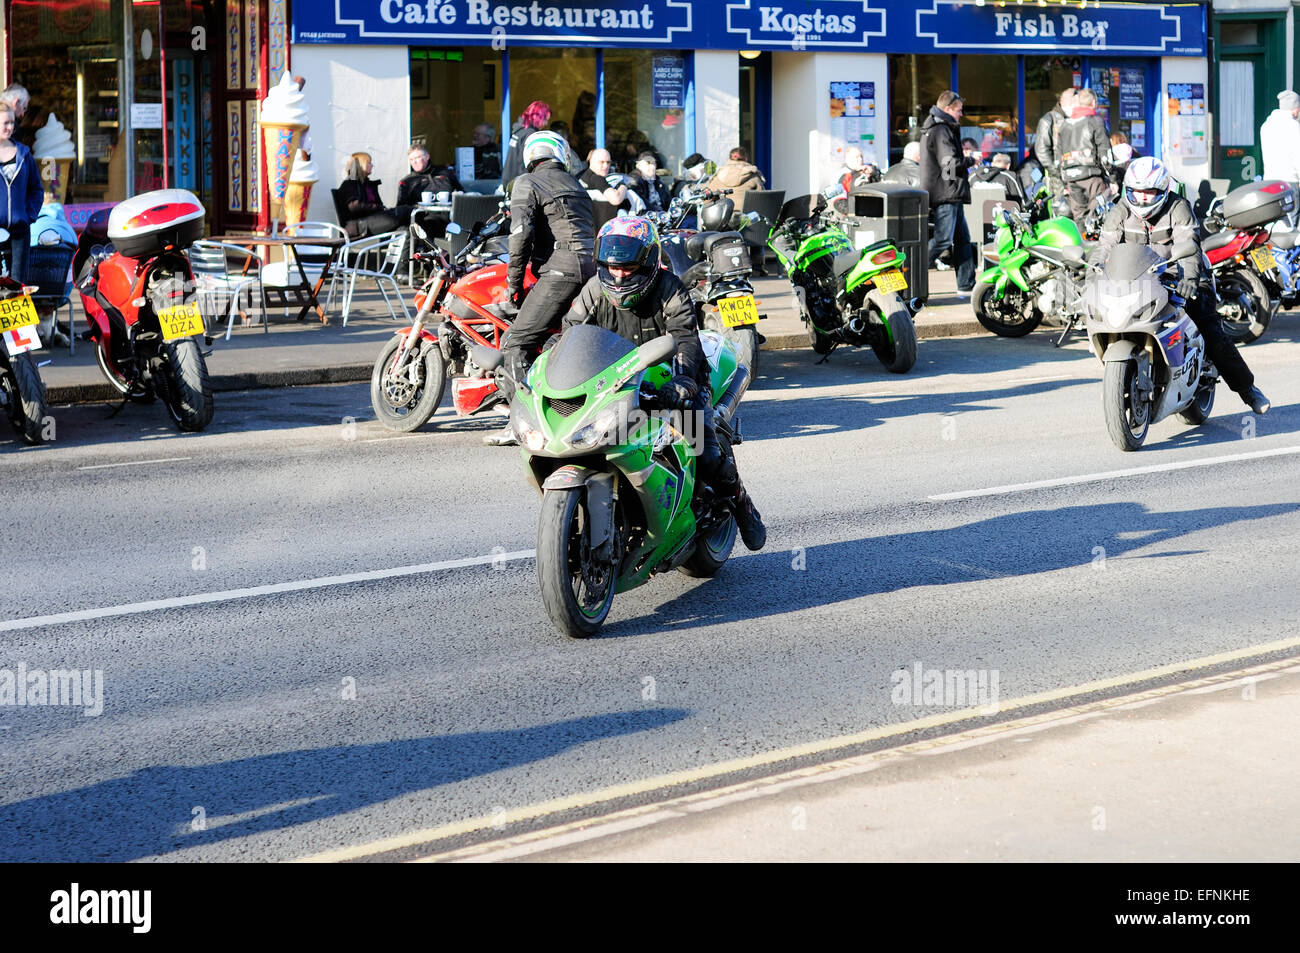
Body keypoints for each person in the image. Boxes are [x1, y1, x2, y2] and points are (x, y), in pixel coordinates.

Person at [561, 215, 766, 550]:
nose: (619, 274)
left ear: (648, 262)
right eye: (612, 267)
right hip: (616, 385)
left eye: (628, 268)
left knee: (707, 454)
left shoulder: (670, 289)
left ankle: (743, 505)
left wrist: (684, 381)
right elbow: (569, 335)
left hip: (672, 382)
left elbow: (685, 338)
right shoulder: (594, 291)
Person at [1090, 157, 1269, 415]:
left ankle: (1248, 390)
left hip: (1181, 275)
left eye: (1149, 192)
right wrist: (1093, 272)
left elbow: (1189, 246)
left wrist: (1189, 279)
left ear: (1163, 190)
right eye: (1137, 193)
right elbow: (1105, 245)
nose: (1142, 199)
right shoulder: (1120, 210)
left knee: (1211, 331)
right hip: (1140, 277)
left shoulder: (1179, 207)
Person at [486, 130, 595, 445]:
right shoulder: (577, 185)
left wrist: (514, 284)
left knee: (514, 344)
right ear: (560, 154)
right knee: (560, 340)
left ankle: (522, 425)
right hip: (591, 271)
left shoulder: (527, 183)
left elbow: (520, 234)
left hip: (561, 270)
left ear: (529, 157)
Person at [919, 90, 976, 296]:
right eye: (959, 110)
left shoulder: (934, 127)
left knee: (963, 239)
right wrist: (970, 160)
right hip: (946, 192)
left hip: (948, 191)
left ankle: (967, 284)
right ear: (948, 109)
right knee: (944, 239)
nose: (961, 114)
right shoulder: (941, 130)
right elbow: (949, 164)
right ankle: (910, 273)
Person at [0, 102, 44, 294]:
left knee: (17, 285)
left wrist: (29, 215)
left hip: (19, 230)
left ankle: (14, 325)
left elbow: (36, 189)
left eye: (11, 123)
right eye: (5, 123)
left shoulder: (24, 154)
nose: (10, 127)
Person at [1056, 87, 1110, 224]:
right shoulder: (1095, 121)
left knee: (1079, 219)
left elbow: (1058, 157)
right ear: (1093, 103)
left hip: (1071, 178)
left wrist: (1064, 183)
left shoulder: (1064, 125)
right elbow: (1105, 155)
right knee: (1097, 218)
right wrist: (1113, 179)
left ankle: (1081, 245)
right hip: (1092, 177)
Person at [337, 152, 411, 239]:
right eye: (369, 163)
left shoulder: (366, 184)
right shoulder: (350, 183)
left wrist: (381, 209)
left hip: (371, 220)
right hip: (358, 225)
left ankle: (422, 248)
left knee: (405, 230)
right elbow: (354, 206)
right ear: (361, 164)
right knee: (405, 210)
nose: (372, 165)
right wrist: (377, 207)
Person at [1260, 90, 1300, 227]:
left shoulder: (1266, 126)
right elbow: (1298, 156)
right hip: (1289, 182)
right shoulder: (1294, 127)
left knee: (1275, 222)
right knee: (1291, 224)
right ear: (1294, 109)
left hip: (1270, 181)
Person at [1035, 88, 1075, 217]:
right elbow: (1042, 151)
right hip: (1058, 179)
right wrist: (1057, 173)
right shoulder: (1049, 120)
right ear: (1068, 101)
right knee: (1062, 215)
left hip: (1075, 176)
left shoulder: (1075, 120)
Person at [500, 100, 551, 188]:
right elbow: (524, 164)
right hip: (519, 185)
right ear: (538, 117)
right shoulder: (530, 134)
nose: (546, 123)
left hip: (509, 181)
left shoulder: (519, 131)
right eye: (545, 119)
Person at [396, 143, 462, 208]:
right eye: (411, 160)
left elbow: (462, 194)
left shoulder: (445, 173)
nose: (414, 162)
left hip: (448, 216)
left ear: (427, 157)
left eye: (417, 158)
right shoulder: (407, 181)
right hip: (423, 217)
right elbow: (401, 209)